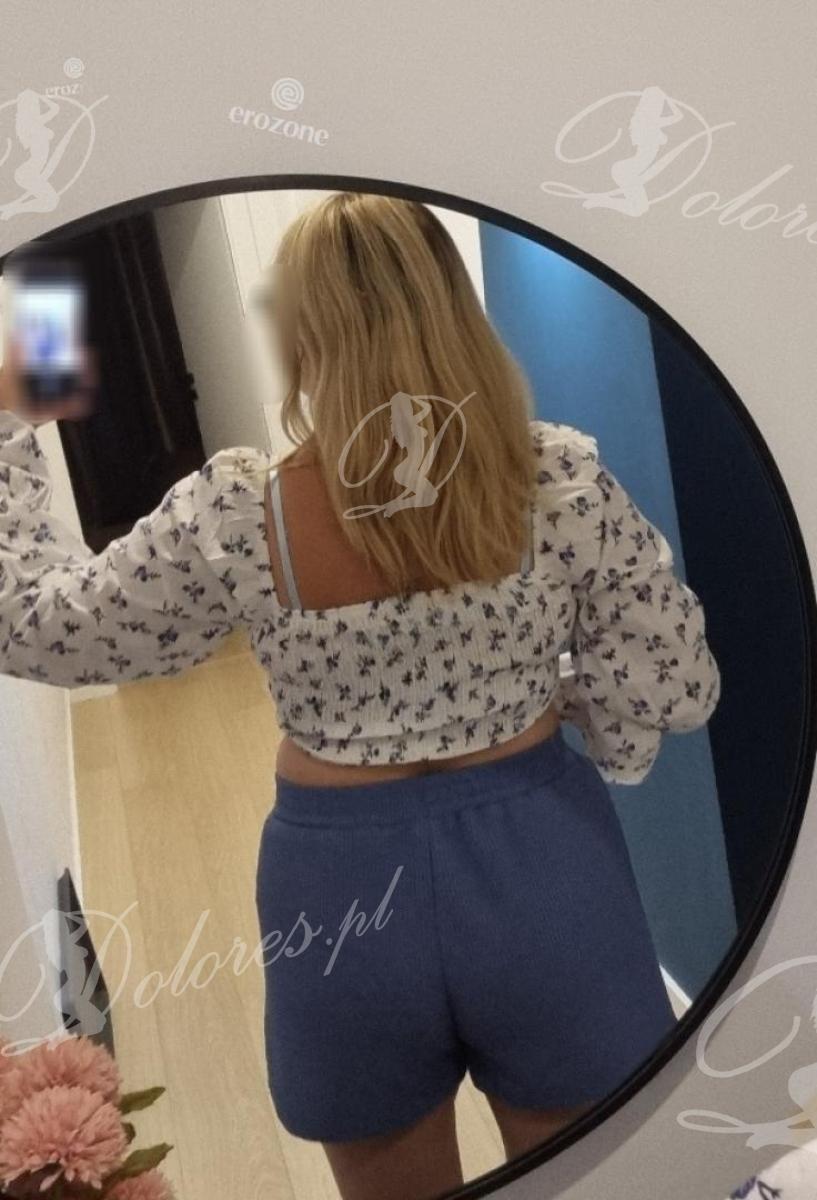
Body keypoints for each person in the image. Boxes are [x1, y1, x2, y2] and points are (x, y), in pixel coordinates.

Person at [0, 192, 721, 1200]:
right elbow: (675, 681)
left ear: (303, 336)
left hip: (339, 895)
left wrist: (11, 426)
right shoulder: (554, 480)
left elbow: (37, 626)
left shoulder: (237, 512)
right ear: (452, 311)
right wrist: (551, 698)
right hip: (544, 870)